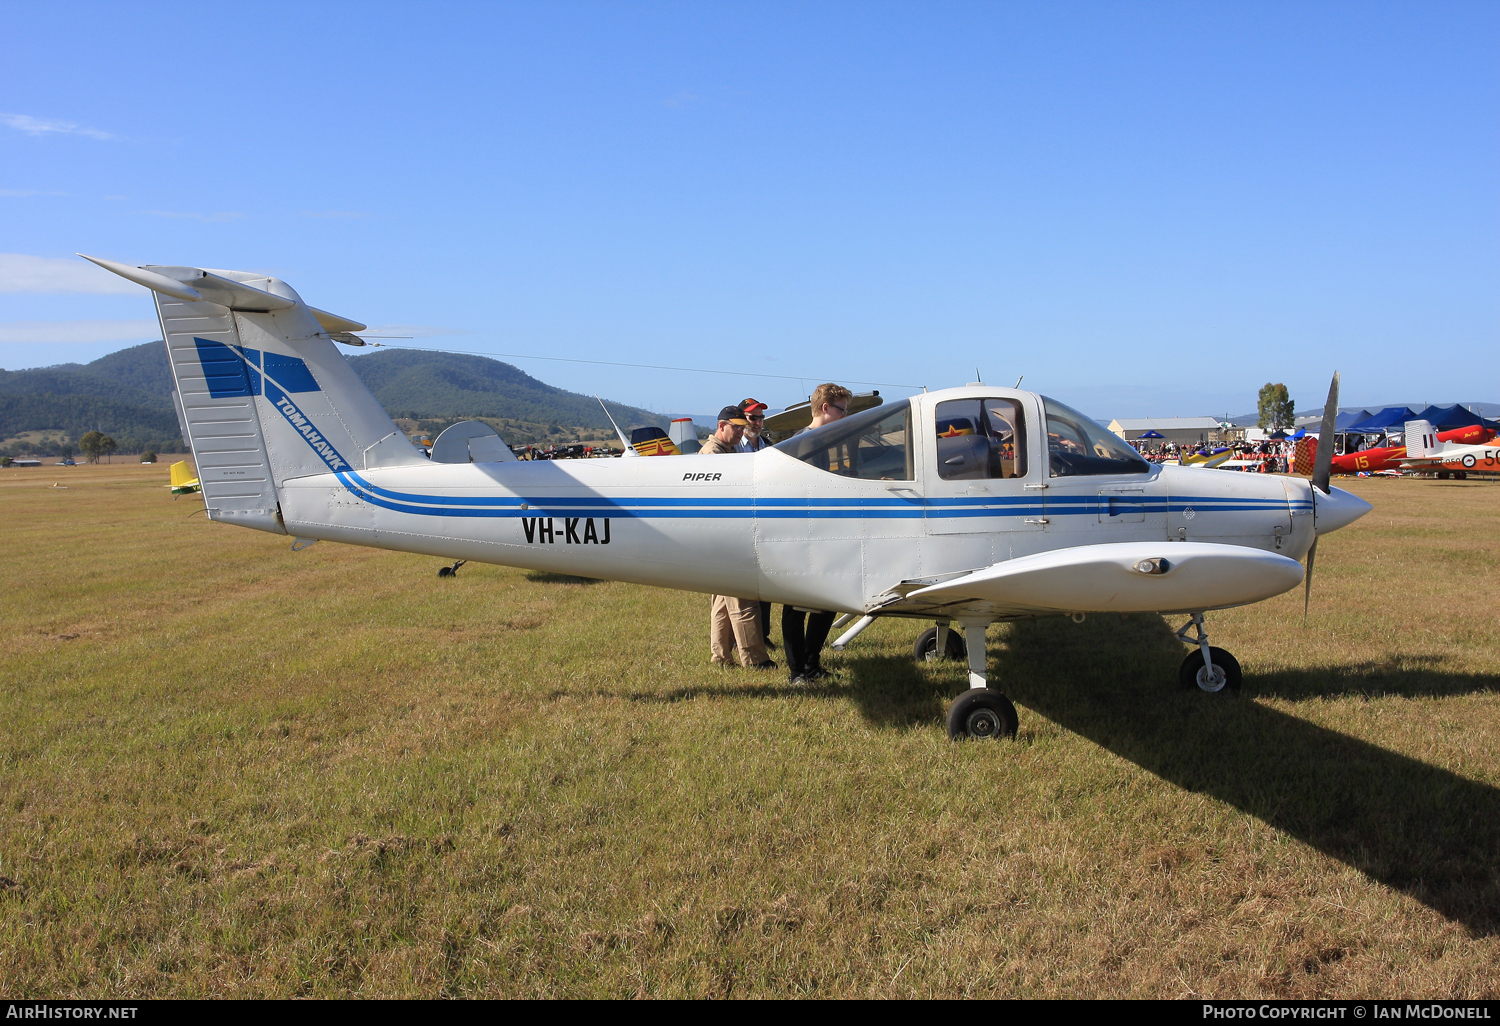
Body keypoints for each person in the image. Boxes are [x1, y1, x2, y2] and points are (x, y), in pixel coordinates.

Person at [781, 383, 851, 684]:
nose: (845, 416)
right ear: (825, 408)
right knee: (796, 606)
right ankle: (798, 671)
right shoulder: (803, 443)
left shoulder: (825, 441)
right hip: (802, 535)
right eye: (842, 410)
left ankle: (812, 665)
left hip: (824, 533)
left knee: (826, 604)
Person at [703, 406, 775, 669]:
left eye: (741, 426)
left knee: (723, 603)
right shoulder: (714, 455)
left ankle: (721, 657)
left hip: (718, 538)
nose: (740, 431)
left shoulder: (727, 451)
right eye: (736, 427)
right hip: (726, 538)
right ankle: (755, 659)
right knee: (744, 600)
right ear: (721, 426)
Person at [736, 398, 776, 643]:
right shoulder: (733, 448)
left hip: (765, 521)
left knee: (767, 584)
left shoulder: (769, 447)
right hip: (742, 521)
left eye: (761, 418)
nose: (759, 422)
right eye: (753, 418)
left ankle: (764, 634)